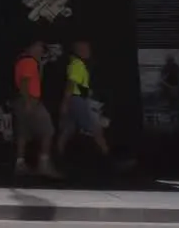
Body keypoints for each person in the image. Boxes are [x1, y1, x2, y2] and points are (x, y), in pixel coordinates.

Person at [57, 40, 113, 161]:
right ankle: (108, 158)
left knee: (67, 129)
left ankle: (58, 155)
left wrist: (86, 92)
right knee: (96, 129)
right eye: (85, 49)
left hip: (76, 99)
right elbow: (70, 84)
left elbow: (77, 85)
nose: (89, 52)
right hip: (77, 101)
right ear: (79, 51)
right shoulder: (77, 65)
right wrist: (65, 104)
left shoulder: (77, 64)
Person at [12, 40, 60, 178]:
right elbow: (25, 82)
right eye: (38, 47)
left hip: (20, 101)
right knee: (48, 130)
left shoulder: (23, 60)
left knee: (23, 133)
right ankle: (43, 164)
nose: (41, 49)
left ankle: (19, 164)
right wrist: (29, 102)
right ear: (30, 48)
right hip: (31, 101)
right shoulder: (29, 62)